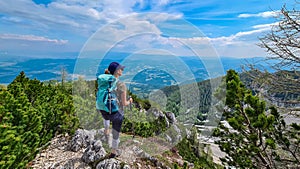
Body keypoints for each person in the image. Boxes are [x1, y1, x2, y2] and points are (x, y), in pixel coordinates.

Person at [98, 61, 133, 158]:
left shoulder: (104, 81)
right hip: (116, 113)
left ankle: (106, 131)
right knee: (116, 131)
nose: (122, 70)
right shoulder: (121, 85)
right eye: (121, 69)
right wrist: (130, 101)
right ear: (117, 71)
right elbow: (124, 104)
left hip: (103, 110)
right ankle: (113, 152)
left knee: (107, 116)